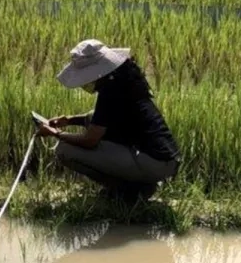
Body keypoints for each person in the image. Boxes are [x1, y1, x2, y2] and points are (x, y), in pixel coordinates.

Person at [35, 39, 180, 202]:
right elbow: (100, 118)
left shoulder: (111, 92)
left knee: (64, 150)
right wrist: (69, 120)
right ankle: (139, 186)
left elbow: (90, 141)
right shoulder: (125, 79)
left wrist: (55, 133)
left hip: (154, 163)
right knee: (90, 124)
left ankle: (127, 191)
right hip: (164, 160)